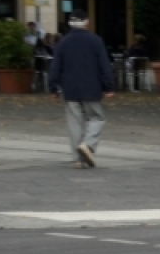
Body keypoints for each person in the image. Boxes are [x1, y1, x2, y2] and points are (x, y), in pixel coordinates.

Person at [48, 9, 114, 168]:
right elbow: (104, 65)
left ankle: (79, 158)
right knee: (97, 118)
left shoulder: (63, 42)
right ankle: (88, 145)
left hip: (70, 89)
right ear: (86, 22)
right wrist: (108, 86)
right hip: (92, 87)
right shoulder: (95, 41)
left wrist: (53, 87)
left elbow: (56, 66)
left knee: (74, 123)